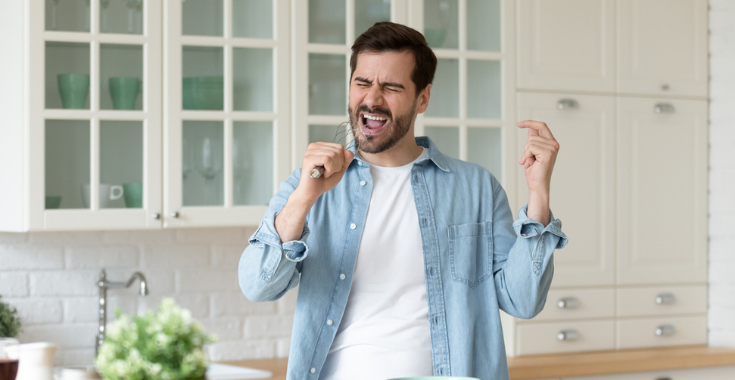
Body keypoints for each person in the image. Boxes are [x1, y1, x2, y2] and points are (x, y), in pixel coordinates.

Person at [238, 22, 568, 380]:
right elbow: (257, 285)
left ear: (422, 98)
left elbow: (523, 300)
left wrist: (539, 194)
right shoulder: (307, 184)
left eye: (391, 87)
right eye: (362, 83)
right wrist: (304, 199)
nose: (372, 99)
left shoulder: (476, 189)